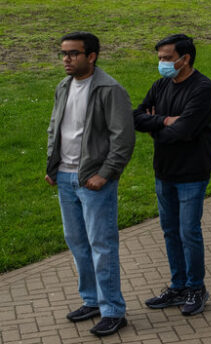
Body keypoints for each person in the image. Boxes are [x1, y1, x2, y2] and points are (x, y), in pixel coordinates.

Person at [47, 32, 134, 337]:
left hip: (94, 181)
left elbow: (122, 139)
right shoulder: (63, 86)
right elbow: (55, 128)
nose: (66, 59)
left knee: (101, 245)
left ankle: (113, 310)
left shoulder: (110, 89)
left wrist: (106, 174)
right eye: (63, 54)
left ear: (92, 56)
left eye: (73, 53)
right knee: (77, 242)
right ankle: (92, 301)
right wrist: (52, 164)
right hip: (66, 178)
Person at [134, 34, 211, 316]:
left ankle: (196, 287)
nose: (162, 63)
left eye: (167, 58)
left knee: (188, 231)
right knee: (170, 231)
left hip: (192, 172)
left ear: (185, 58)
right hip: (164, 171)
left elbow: (186, 130)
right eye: (160, 58)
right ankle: (178, 285)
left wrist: (154, 126)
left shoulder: (202, 88)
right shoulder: (160, 85)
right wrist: (164, 121)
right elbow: (135, 117)